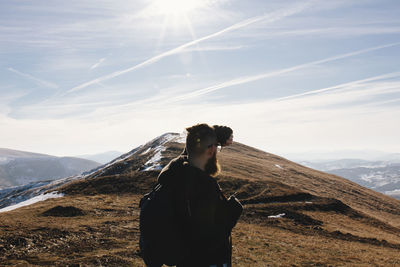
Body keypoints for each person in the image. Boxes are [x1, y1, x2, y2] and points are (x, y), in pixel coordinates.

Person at [156, 123, 242, 267]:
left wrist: (212, 136)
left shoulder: (177, 172)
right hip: (205, 261)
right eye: (217, 147)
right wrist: (232, 214)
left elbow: (192, 144)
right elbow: (208, 238)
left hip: (185, 260)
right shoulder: (203, 185)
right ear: (211, 149)